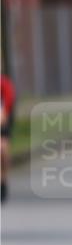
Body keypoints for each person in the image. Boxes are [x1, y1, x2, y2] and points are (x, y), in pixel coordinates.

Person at [1, 71, 16, 203]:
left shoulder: (4, 84)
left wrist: (4, 114)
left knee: (3, 151)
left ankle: (3, 181)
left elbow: (9, 100)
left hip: (3, 124)